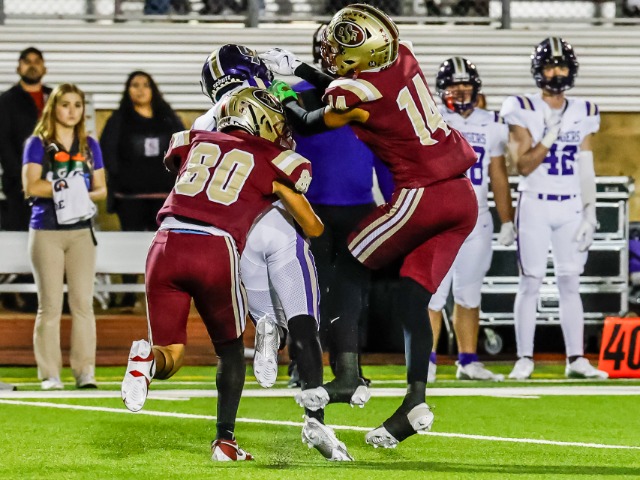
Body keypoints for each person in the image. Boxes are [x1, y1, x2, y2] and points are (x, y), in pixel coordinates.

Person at [261, 3, 478, 448]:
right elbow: (358, 88)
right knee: (412, 297)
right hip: (461, 196)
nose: (332, 52)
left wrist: (283, 88)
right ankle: (414, 402)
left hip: (423, 192)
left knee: (347, 264)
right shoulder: (404, 57)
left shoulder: (354, 96)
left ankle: (347, 375)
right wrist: (300, 67)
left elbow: (308, 122)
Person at [121, 87, 323, 462]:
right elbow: (313, 227)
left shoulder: (193, 139)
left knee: (171, 354)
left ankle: (146, 363)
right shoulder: (273, 157)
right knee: (230, 352)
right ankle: (224, 442)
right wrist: (278, 190)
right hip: (214, 247)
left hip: (163, 245)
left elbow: (181, 162)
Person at [195, 44, 354, 461]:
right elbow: (319, 120)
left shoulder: (205, 120)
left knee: (248, 334)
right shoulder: (272, 97)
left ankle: (225, 437)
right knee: (304, 323)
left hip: (237, 228)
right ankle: (316, 421)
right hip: (281, 218)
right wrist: (297, 72)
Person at [288, 24, 394, 393]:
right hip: (309, 207)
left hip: (358, 208)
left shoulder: (365, 93)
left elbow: (384, 155)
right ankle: (303, 364)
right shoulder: (297, 94)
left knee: (351, 294)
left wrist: (394, 202)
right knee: (308, 289)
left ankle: (348, 367)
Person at [499, 37, 608, 380]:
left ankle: (576, 358)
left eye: (561, 65)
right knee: (530, 281)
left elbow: (586, 164)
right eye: (550, 66)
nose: (556, 72)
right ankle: (524, 358)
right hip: (535, 202)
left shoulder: (584, 110)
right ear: (538, 70)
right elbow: (522, 166)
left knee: (570, 282)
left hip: (571, 205)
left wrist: (590, 210)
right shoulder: (521, 106)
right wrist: (548, 136)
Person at [427, 57, 514, 382]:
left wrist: (507, 219)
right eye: (455, 86)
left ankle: (468, 360)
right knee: (433, 295)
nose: (461, 92)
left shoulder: (491, 123)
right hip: (440, 219)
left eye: (466, 86)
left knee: (470, 294)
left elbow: (498, 174)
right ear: (442, 89)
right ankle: (426, 360)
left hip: (477, 220)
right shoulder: (431, 120)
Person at [22, 83, 107, 390]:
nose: (72, 111)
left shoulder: (90, 145)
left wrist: (79, 194)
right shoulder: (37, 143)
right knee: (49, 305)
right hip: (46, 230)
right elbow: (31, 186)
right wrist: (69, 189)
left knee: (83, 304)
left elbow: (101, 189)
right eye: (65, 104)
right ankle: (50, 374)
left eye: (77, 105)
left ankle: (85, 372)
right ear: (53, 108)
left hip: (81, 232)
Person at [100, 71, 184, 307]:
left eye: (145, 85)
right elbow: (108, 152)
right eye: (134, 85)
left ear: (153, 90)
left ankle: (161, 294)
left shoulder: (168, 119)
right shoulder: (118, 120)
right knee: (130, 245)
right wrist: (122, 177)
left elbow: (184, 149)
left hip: (163, 198)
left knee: (162, 247)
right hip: (130, 198)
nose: (140, 89)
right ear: (128, 90)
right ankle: (128, 294)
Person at [0, 47, 51, 232]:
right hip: (18, 185)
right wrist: (20, 176)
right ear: (18, 68)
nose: (32, 66)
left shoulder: (55, 97)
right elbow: (3, 142)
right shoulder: (7, 100)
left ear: (44, 68)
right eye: (27, 62)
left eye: (37, 62)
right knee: (21, 234)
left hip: (54, 181)